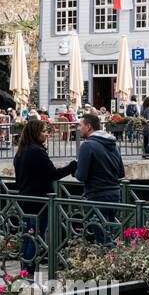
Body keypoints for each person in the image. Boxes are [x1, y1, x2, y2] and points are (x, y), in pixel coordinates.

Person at [13, 118, 76, 274]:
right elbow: (52, 174)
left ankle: (24, 269)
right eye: (44, 131)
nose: (46, 134)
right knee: (35, 236)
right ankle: (28, 271)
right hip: (38, 201)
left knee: (29, 234)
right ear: (35, 133)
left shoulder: (22, 151)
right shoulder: (36, 152)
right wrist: (72, 166)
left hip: (26, 198)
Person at [75, 112, 125, 245]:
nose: (78, 129)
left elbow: (81, 176)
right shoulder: (113, 143)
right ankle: (114, 262)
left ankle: (114, 263)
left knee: (103, 239)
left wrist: (75, 169)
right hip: (115, 194)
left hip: (97, 196)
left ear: (89, 126)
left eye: (80, 125)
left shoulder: (87, 145)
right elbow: (121, 173)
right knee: (108, 235)